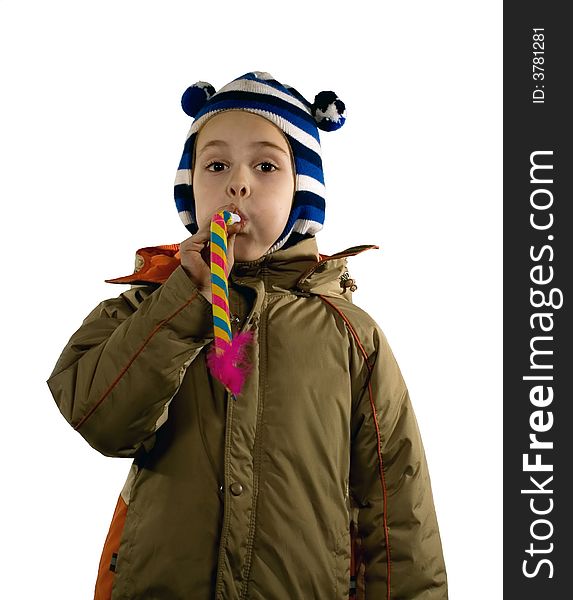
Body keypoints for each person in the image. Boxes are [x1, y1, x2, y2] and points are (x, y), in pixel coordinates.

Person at [46, 70, 448, 599]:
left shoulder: (350, 335)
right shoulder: (149, 308)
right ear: (190, 188)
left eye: (265, 166)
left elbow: (398, 502)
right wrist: (182, 300)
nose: (239, 183)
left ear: (302, 195)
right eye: (216, 165)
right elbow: (100, 418)